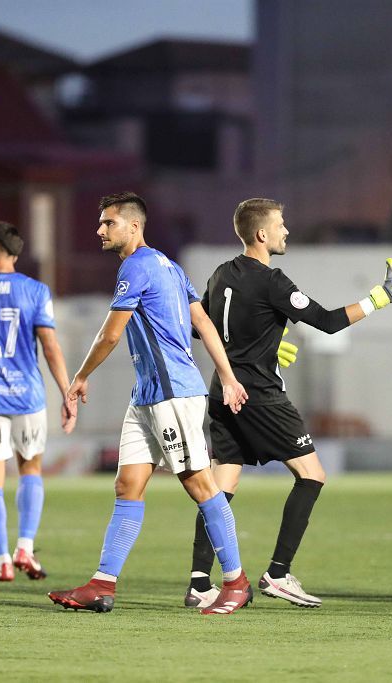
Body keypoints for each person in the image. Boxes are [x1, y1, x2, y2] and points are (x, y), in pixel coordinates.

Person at [184, 197, 392, 609]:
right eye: (280, 224)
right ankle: (278, 573)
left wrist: (262, 343)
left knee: (220, 488)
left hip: (222, 393)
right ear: (261, 234)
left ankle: (198, 582)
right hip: (259, 395)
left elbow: (203, 328)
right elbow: (330, 322)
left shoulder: (221, 273)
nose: (286, 231)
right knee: (312, 475)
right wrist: (382, 297)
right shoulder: (273, 280)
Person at [47, 192, 252, 615]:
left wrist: (79, 377)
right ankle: (103, 585)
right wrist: (227, 377)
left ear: (134, 226)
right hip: (147, 396)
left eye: (108, 223)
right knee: (127, 486)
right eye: (101, 223)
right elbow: (202, 321)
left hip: (172, 394)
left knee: (200, 485)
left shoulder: (137, 266)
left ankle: (236, 582)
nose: (100, 230)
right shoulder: (170, 267)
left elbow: (110, 334)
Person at [0, 220, 76, 581]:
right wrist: (67, 392)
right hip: (28, 398)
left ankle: (1, 561)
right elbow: (50, 346)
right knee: (30, 470)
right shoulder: (36, 290)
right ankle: (25, 546)